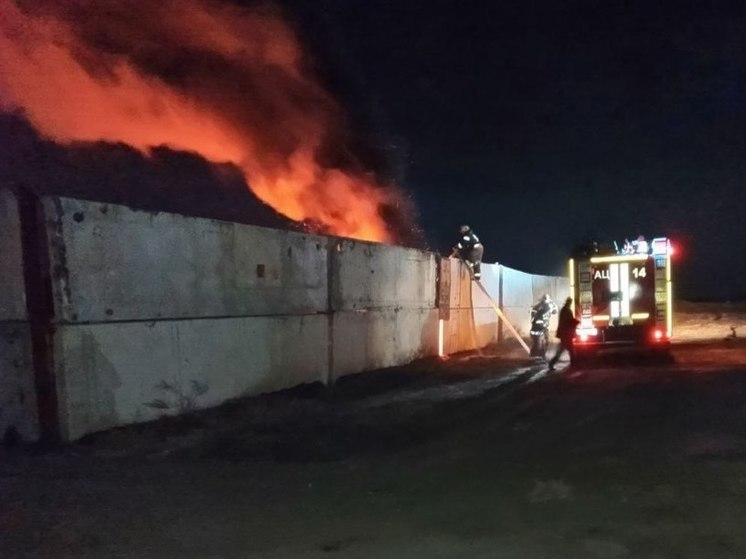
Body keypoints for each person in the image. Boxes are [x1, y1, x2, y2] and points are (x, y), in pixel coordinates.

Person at [548, 297, 579, 371]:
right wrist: (576, 322)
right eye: (570, 302)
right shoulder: (566, 310)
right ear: (569, 302)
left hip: (565, 334)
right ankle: (551, 364)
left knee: (570, 350)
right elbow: (568, 322)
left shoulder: (564, 310)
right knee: (565, 350)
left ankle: (573, 365)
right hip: (566, 334)